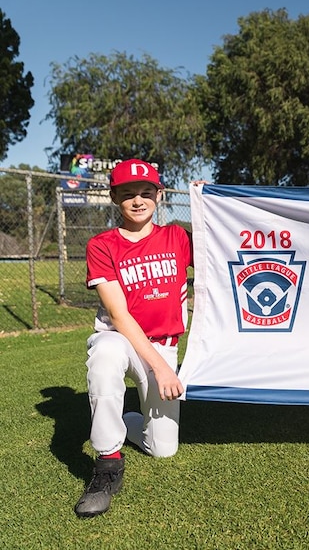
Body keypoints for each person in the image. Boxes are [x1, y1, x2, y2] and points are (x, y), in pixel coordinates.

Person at [75, 159, 201, 517]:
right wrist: (161, 369)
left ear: (158, 195)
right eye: (128, 193)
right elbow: (119, 316)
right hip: (121, 339)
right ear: (114, 196)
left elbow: (219, 246)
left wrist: (208, 202)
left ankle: (127, 418)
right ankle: (107, 465)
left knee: (163, 448)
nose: (138, 200)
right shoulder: (102, 245)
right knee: (104, 357)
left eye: (146, 192)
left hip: (163, 343)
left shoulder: (177, 237)